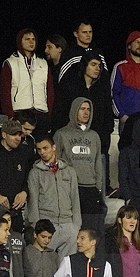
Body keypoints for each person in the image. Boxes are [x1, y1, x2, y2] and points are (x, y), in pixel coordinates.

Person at [53, 99, 105, 233]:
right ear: (74, 110)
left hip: (90, 189)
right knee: (72, 230)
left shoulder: (94, 136)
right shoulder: (61, 134)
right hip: (69, 188)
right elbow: (54, 161)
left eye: (88, 109)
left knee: (90, 230)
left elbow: (98, 163)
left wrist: (98, 187)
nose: (86, 112)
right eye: (82, 109)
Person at [26, 137, 81, 258]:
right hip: (47, 224)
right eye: (39, 149)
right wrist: (37, 226)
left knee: (67, 267)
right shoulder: (35, 173)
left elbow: (75, 198)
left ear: (54, 147)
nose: (42, 152)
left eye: (45, 148)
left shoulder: (69, 171)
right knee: (46, 265)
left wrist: (76, 225)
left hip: (68, 224)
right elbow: (33, 201)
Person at [1, 29, 55, 131]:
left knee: (42, 144)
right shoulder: (10, 63)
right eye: (27, 39)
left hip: (41, 113)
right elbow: (5, 91)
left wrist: (48, 113)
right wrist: (10, 115)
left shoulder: (43, 63)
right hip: (19, 113)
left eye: (33, 39)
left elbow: (50, 90)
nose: (31, 42)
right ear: (20, 41)